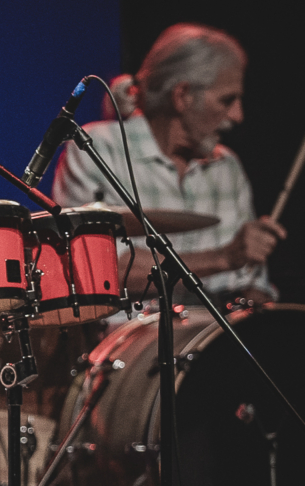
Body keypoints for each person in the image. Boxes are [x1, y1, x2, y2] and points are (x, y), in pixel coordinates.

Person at [54, 23, 281, 303]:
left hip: (214, 340)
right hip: (129, 341)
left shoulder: (227, 167)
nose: (238, 115)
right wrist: (223, 258)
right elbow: (93, 271)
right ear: (182, 96)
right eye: (227, 100)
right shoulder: (97, 149)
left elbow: (252, 283)